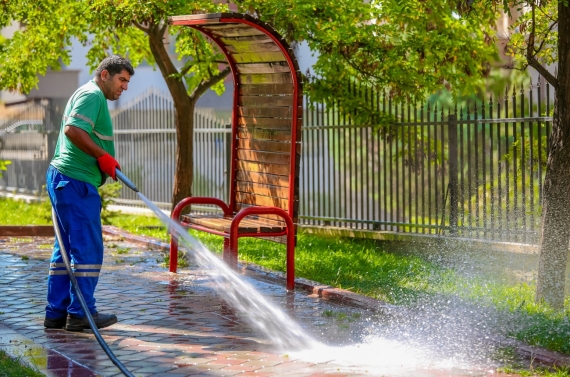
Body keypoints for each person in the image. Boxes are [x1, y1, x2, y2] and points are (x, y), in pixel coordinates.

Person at [44, 55, 134, 331]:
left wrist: (100, 162)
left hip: (66, 179)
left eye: (128, 82)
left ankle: (56, 314)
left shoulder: (89, 94)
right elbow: (73, 130)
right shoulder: (93, 95)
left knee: (66, 249)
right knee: (88, 249)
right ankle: (81, 313)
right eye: (122, 80)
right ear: (105, 74)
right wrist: (103, 157)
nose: (125, 87)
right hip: (75, 182)